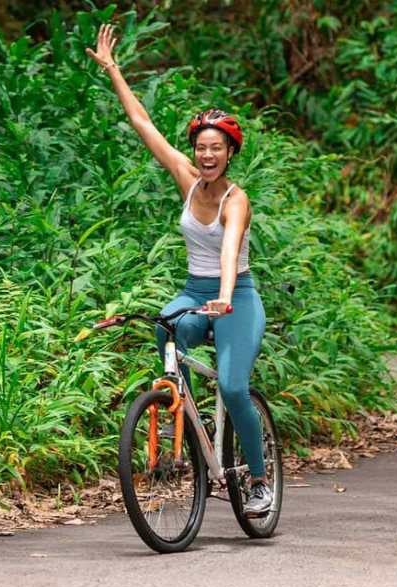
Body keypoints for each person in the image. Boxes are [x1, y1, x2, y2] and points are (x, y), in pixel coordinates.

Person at [87, 25, 271, 516]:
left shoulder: (237, 200)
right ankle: (188, 427)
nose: (206, 155)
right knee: (164, 331)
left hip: (238, 298)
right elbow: (143, 124)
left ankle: (256, 478)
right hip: (194, 291)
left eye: (217, 148)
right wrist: (114, 71)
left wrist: (226, 297)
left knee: (233, 387)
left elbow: (230, 253)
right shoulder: (187, 180)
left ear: (231, 152)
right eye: (201, 147)